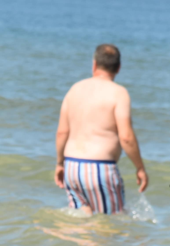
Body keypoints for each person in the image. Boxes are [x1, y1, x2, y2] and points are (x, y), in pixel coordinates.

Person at [53, 43, 148, 215]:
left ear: (94, 64)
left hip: (72, 167)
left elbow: (62, 133)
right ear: (118, 68)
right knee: (110, 224)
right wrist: (140, 168)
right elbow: (126, 137)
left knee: (81, 224)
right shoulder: (118, 93)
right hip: (99, 168)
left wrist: (60, 163)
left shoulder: (74, 89)